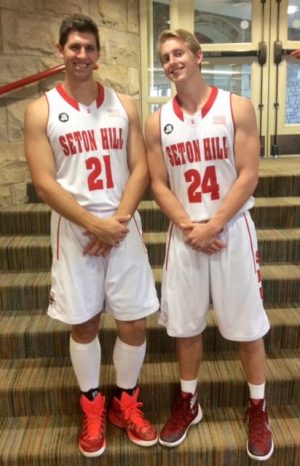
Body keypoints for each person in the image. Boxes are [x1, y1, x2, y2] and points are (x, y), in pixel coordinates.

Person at [24, 14, 159, 458]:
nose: (82, 55)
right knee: (84, 322)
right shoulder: (41, 108)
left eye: (89, 47)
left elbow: (140, 166)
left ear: (99, 55)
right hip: (75, 230)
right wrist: (92, 224)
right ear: (60, 51)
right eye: (74, 47)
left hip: (122, 226)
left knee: (133, 322)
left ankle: (125, 402)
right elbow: (44, 182)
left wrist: (116, 221)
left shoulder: (125, 104)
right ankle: (92, 407)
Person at [144, 29, 274, 462]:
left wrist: (214, 224)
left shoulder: (236, 107)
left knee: (248, 327)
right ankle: (189, 402)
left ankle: (258, 407)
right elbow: (159, 183)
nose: (172, 61)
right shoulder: (156, 120)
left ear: (198, 57)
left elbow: (248, 173)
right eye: (165, 56)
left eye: (179, 52)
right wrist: (187, 225)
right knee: (185, 326)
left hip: (232, 231)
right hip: (185, 235)